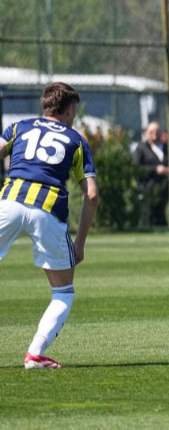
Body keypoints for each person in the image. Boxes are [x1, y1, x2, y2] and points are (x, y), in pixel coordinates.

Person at [0, 83, 99, 370]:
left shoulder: (19, 127)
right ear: (69, 110)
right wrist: (79, 243)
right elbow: (91, 194)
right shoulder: (77, 140)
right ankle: (35, 354)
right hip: (49, 209)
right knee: (63, 292)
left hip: (9, 202)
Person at [133, 121, 169, 229]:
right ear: (146, 133)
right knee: (148, 215)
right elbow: (136, 168)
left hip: (164, 189)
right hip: (147, 188)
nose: (155, 134)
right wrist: (155, 169)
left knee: (161, 213)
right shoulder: (141, 148)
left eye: (157, 131)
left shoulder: (167, 148)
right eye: (151, 131)